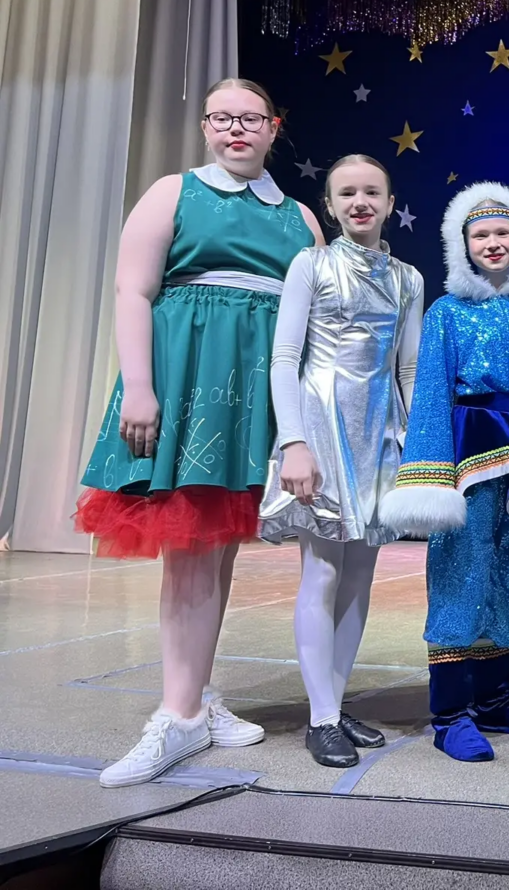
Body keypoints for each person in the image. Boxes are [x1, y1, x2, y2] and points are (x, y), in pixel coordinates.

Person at [77, 79, 324, 787]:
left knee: (217, 554)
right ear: (207, 127)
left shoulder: (301, 218)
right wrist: (141, 386)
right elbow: (133, 290)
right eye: (221, 118)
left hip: (258, 395)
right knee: (188, 552)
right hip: (188, 384)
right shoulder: (173, 193)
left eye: (249, 118)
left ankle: (199, 699)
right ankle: (179, 714)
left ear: (274, 127)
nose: (234, 129)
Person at [378, 182, 509, 764]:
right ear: (463, 245)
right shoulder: (448, 312)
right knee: (461, 572)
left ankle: (494, 697)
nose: (492, 242)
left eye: (502, 232)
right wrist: (430, 476)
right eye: (480, 234)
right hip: (470, 456)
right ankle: (450, 712)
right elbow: (432, 392)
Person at [258, 154, 424, 768]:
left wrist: (413, 445)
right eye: (347, 192)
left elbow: (408, 369)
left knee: (360, 576)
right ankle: (321, 717)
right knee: (323, 572)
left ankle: (331, 702)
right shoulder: (312, 264)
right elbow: (285, 359)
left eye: (372, 192)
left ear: (389, 203)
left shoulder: (409, 279)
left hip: (377, 432)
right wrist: (293, 442)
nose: (361, 202)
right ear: (329, 205)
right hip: (322, 425)